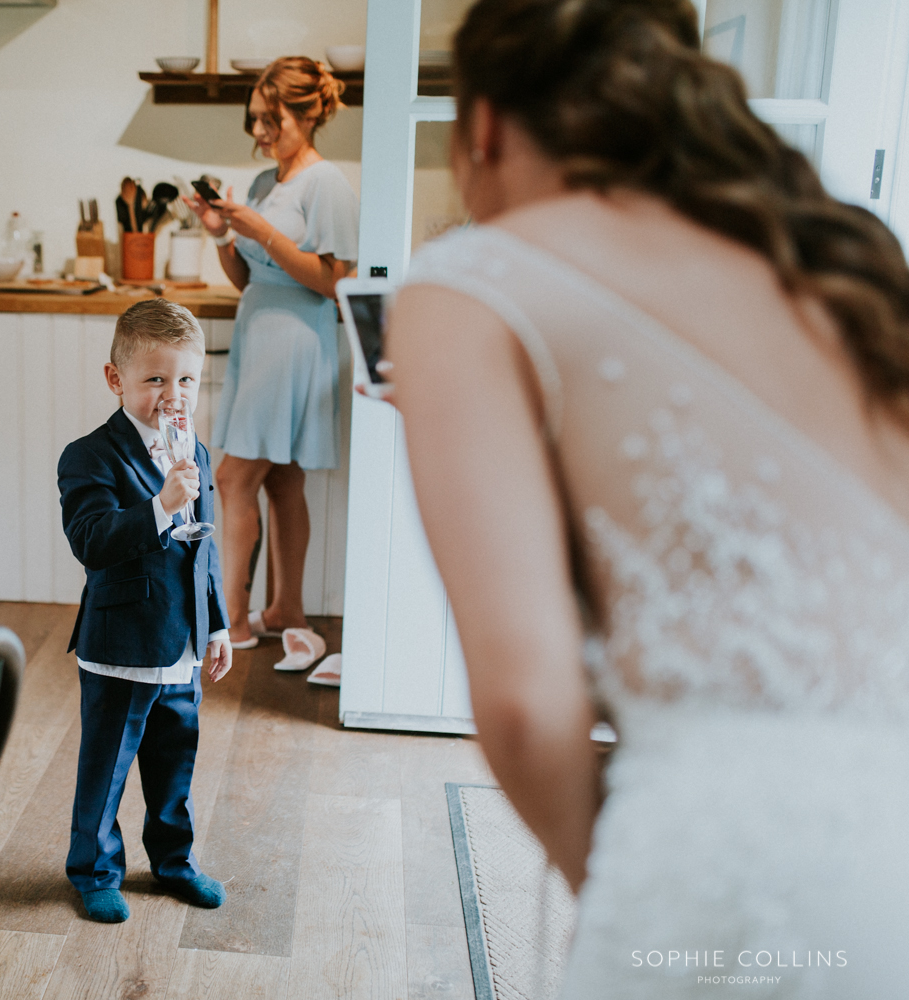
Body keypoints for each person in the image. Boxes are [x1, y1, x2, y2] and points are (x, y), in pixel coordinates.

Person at [389, 0, 909, 993]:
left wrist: (636, 887)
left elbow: (527, 703)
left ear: (484, 125)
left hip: (738, 869)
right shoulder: (835, 260)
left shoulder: (473, 281)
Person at [181, 57, 359, 682]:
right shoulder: (261, 184)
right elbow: (245, 277)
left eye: (270, 118)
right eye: (252, 119)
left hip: (296, 337)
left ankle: (233, 614)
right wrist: (224, 234)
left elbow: (337, 282)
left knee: (232, 479)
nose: (258, 130)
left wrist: (262, 230)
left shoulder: (325, 184)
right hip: (261, 328)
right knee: (280, 480)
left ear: (308, 114)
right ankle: (286, 608)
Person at [57, 298, 233, 924]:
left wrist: (217, 625)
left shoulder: (197, 451)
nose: (173, 394)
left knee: (173, 765)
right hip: (122, 642)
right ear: (117, 380)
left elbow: (203, 548)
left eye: (186, 379)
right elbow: (92, 541)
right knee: (106, 770)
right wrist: (160, 505)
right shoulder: (89, 456)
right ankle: (95, 870)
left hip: (182, 641)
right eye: (155, 379)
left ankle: (174, 861)